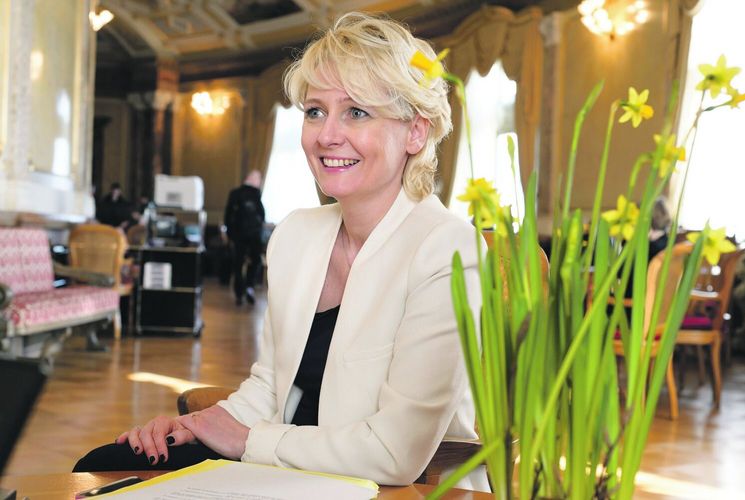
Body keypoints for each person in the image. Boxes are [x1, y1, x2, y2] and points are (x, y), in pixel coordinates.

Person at [74, 12, 487, 490]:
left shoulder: (448, 248)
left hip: (405, 488)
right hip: (290, 470)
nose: (326, 135)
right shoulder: (296, 234)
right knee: (105, 463)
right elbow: (272, 386)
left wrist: (249, 440)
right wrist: (197, 426)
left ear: (416, 131)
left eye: (356, 112)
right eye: (315, 111)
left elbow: (396, 454)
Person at [224, 170, 266, 305]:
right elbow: (261, 215)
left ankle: (240, 292)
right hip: (251, 235)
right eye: (258, 179)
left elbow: (228, 215)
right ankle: (248, 287)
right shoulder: (254, 194)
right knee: (255, 261)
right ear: (251, 178)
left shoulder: (236, 193)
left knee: (238, 263)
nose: (259, 182)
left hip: (239, 235)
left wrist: (230, 234)